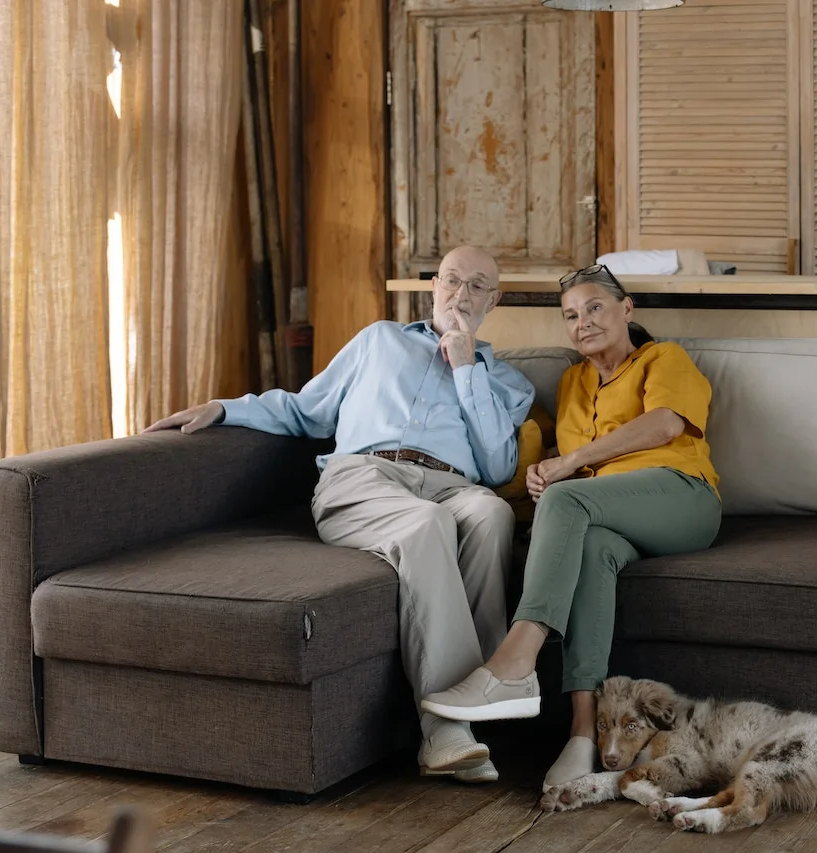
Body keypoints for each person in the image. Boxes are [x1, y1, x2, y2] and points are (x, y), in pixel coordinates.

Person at [144, 246, 535, 785]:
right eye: (451, 281)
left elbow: (495, 467)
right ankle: (444, 728)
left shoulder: (509, 383)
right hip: (365, 478)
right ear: (433, 286)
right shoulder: (379, 340)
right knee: (426, 525)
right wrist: (225, 408)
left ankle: (485, 690)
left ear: (495, 299)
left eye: (475, 286)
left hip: (452, 484)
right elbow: (307, 409)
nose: (460, 295)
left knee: (490, 514)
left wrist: (467, 365)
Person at [419, 262, 723, 791]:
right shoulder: (573, 381)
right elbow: (577, 466)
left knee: (566, 497)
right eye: (571, 316)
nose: (582, 322)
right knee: (591, 552)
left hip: (681, 495)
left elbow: (665, 423)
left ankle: (514, 663)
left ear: (627, 309)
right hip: (612, 515)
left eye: (595, 308)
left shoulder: (662, 358)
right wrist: (544, 467)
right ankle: (584, 734)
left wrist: (565, 468)